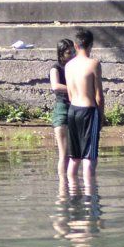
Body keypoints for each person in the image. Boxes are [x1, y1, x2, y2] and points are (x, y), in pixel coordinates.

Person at [65, 28, 104, 187]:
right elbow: (99, 96)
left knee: (74, 158)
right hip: (88, 111)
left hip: (72, 111)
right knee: (89, 158)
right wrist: (101, 117)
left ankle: (71, 192)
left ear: (75, 45)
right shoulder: (94, 64)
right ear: (91, 45)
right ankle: (90, 195)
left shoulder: (68, 65)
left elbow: (69, 95)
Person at [50, 39, 74, 178]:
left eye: (74, 52)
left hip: (76, 109)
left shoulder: (75, 67)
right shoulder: (56, 68)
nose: (72, 55)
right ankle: (63, 186)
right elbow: (55, 86)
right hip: (62, 110)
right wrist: (76, 88)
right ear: (61, 54)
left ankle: (73, 185)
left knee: (74, 155)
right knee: (64, 154)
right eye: (69, 53)